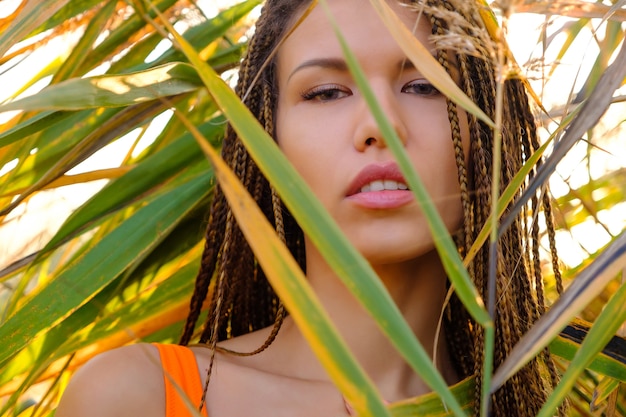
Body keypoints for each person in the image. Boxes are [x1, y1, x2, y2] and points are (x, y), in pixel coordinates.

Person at [56, 0, 565, 416]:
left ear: (491, 131)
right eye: (325, 93)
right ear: (267, 141)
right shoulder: (142, 396)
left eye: (426, 84)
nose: (380, 125)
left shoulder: (541, 406)